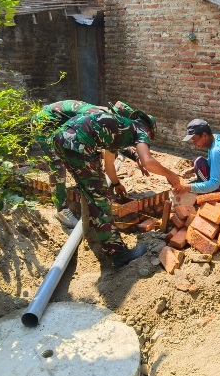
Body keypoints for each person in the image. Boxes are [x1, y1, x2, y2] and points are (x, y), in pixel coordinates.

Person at [53, 110, 182, 267]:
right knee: (100, 201)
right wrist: (171, 176)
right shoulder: (140, 130)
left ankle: (98, 229)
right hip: (79, 144)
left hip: (61, 139)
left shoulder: (116, 129)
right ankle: (118, 255)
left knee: (92, 191)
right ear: (148, 130)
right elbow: (148, 161)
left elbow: (108, 165)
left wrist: (115, 184)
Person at [32, 100, 146, 228]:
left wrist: (136, 156)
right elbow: (112, 142)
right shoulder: (98, 116)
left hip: (62, 125)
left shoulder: (107, 118)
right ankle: (61, 210)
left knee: (89, 157)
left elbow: (116, 140)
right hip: (45, 125)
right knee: (58, 164)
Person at [175, 119, 220, 198]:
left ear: (204, 135)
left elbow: (214, 184)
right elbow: (214, 163)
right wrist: (193, 170)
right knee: (199, 163)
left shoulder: (216, 151)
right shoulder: (217, 137)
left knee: (199, 164)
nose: (194, 143)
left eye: (195, 139)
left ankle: (213, 193)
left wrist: (188, 188)